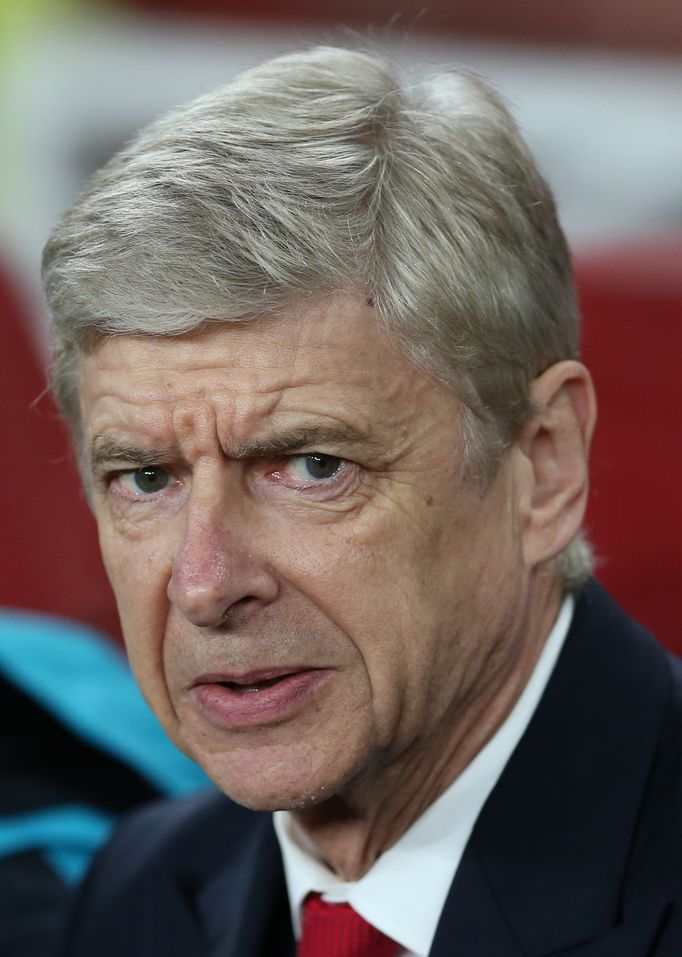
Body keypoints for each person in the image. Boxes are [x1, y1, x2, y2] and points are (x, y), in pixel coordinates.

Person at [42, 47, 682, 957]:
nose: (203, 584)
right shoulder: (139, 894)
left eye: (309, 465)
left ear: (543, 465)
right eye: (147, 478)